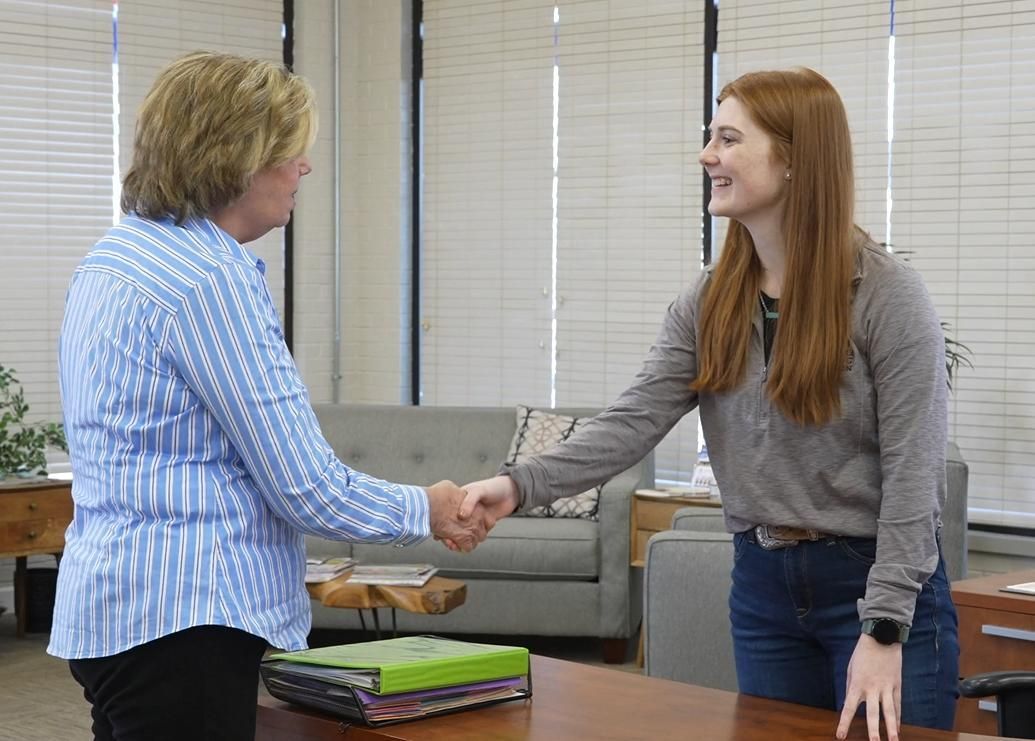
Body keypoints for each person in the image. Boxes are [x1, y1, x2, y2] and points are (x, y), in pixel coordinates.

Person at [458, 67, 959, 741]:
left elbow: (913, 473)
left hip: (872, 585)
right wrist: (515, 486)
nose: (706, 156)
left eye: (727, 139)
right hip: (762, 586)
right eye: (709, 137)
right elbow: (631, 421)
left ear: (791, 159)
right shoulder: (709, 299)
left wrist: (884, 625)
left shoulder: (885, 293)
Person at [49, 51, 493, 741]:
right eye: (290, 151)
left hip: (112, 608)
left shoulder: (113, 258)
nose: (303, 168)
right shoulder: (209, 282)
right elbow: (306, 486)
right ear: (238, 157)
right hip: (184, 621)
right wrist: (426, 507)